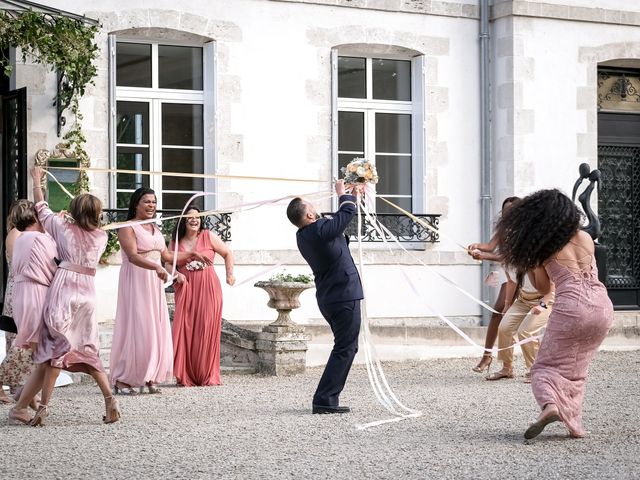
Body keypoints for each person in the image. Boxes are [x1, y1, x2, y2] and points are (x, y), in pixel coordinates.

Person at [495, 189, 614, 439]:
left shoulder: (543, 249)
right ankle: (574, 425)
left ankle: (550, 406)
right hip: (602, 306)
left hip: (572, 307)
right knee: (577, 369)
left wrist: (529, 261)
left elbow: (543, 288)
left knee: (544, 367)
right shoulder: (584, 237)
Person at [9, 166, 120, 426]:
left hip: (65, 288)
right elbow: (85, 229)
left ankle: (43, 407)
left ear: (73, 211)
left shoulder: (62, 227)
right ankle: (109, 399)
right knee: (88, 349)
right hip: (88, 292)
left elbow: (41, 206)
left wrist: (36, 179)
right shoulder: (102, 236)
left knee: (54, 350)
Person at [286, 180, 363, 414]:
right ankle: (325, 399)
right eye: (312, 206)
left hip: (332, 297)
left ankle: (326, 398)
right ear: (309, 214)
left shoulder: (306, 234)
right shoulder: (318, 231)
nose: (316, 207)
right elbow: (346, 213)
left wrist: (352, 195)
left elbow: (338, 223)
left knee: (344, 346)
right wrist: (343, 195)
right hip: (342, 296)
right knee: (345, 348)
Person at [109, 187, 186, 395]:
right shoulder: (127, 227)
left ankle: (150, 375)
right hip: (136, 280)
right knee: (138, 327)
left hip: (154, 283)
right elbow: (133, 256)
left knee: (155, 327)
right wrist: (157, 267)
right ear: (136, 204)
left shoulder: (155, 228)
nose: (152, 205)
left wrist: (191, 256)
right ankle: (123, 379)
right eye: (147, 201)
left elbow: (167, 256)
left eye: (154, 201)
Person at [170, 206, 235, 387]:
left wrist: (229, 274)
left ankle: (207, 375)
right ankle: (186, 375)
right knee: (187, 329)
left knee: (205, 329)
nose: (194, 220)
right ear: (183, 220)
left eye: (197, 217)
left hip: (209, 288)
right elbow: (168, 262)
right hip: (186, 288)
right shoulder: (176, 242)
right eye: (190, 217)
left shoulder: (208, 235)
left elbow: (227, 253)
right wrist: (176, 275)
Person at [467, 196, 520, 372]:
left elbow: (511, 256)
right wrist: (477, 246)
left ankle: (515, 365)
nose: (508, 214)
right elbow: (490, 246)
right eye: (505, 211)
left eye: (511, 211)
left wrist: (484, 256)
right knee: (498, 313)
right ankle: (487, 356)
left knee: (519, 322)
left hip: (527, 279)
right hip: (510, 277)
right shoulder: (503, 229)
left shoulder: (524, 231)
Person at [485, 267, 554, 382]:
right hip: (523, 300)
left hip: (546, 300)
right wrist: (507, 305)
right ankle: (507, 369)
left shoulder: (537, 260)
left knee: (526, 331)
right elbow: (512, 282)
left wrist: (542, 305)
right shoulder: (507, 262)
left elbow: (552, 288)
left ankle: (536, 370)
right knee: (504, 327)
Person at [0, 203, 32, 406]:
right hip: (18, 290)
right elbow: (19, 262)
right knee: (17, 339)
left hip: (27, 289)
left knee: (23, 339)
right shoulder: (15, 234)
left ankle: (19, 385)